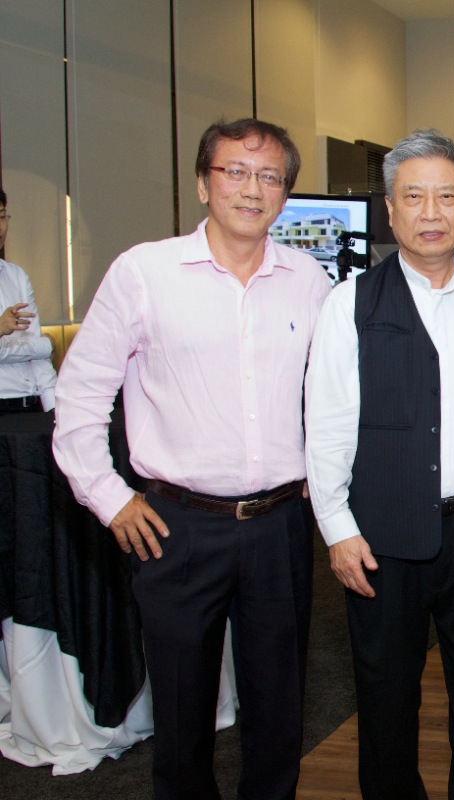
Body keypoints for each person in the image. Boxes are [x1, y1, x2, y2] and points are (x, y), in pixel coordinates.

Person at [52, 118, 331, 800]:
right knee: (181, 718)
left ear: (285, 194)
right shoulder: (144, 273)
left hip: (280, 525)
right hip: (175, 527)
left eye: (269, 176)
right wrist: (110, 497)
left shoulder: (309, 280)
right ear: (203, 184)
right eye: (235, 171)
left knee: (279, 712)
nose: (251, 188)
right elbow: (79, 397)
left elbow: (332, 394)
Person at [304, 129, 454, 800]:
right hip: (381, 537)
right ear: (389, 208)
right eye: (414, 197)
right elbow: (326, 423)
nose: (431, 212)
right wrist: (337, 528)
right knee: (385, 700)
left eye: (446, 196)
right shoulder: (350, 302)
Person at [0, 189, 57, 414]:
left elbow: (38, 356)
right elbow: (38, 347)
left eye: (2, 217)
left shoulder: (17, 276)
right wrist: (45, 346)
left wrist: (54, 408)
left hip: (29, 407)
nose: (0, 227)